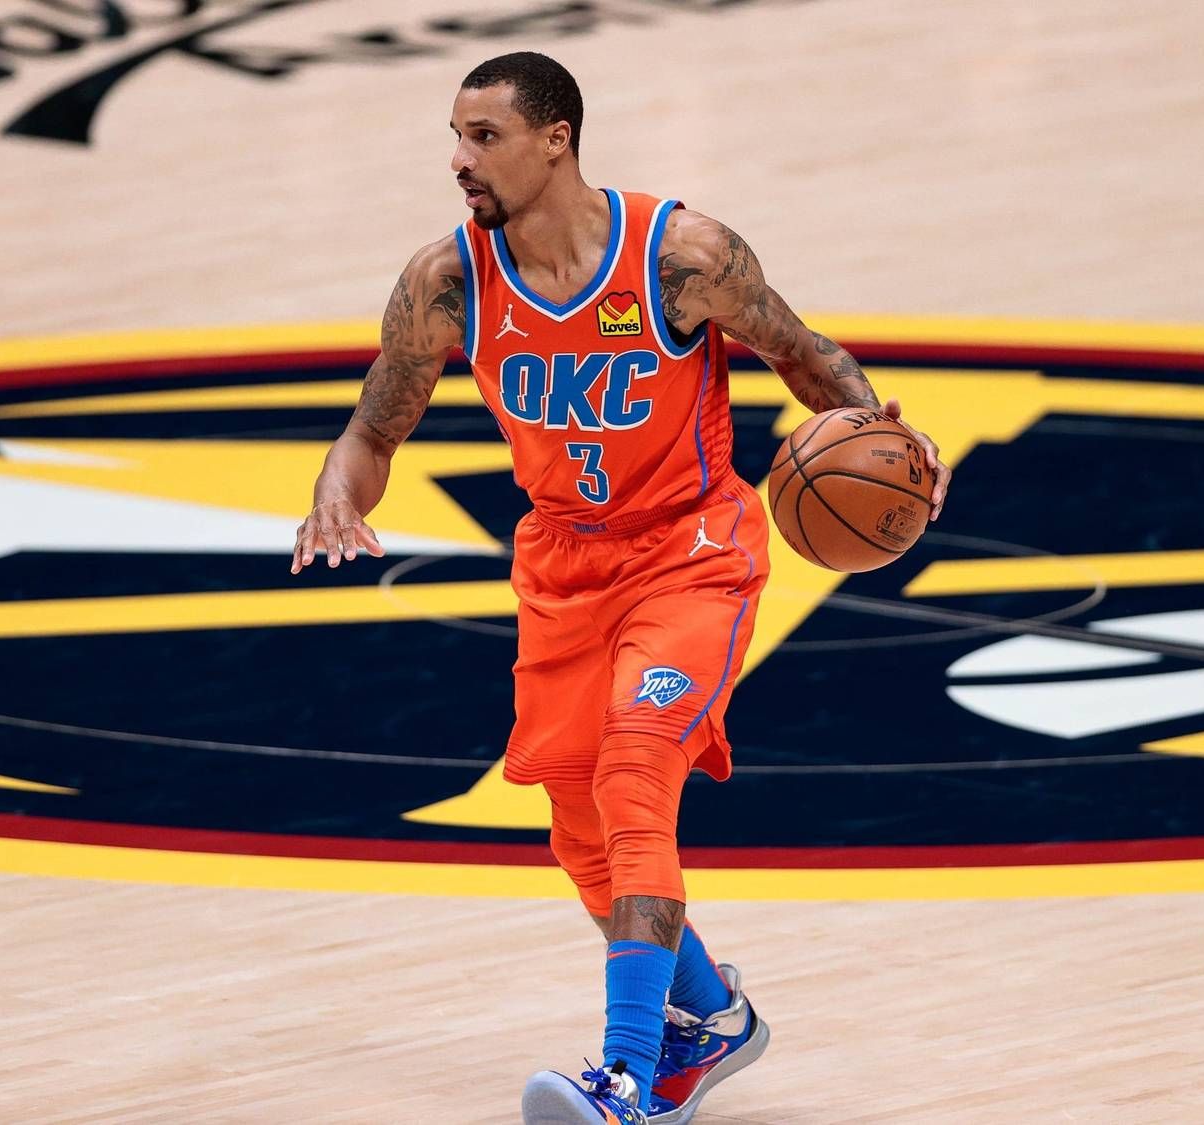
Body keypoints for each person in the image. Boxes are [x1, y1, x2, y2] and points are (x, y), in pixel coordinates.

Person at [290, 51, 948, 1125]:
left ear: (556, 139)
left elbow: (802, 353)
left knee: (636, 774)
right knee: (576, 829)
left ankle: (628, 1080)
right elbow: (375, 426)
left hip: (691, 552)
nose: (460, 161)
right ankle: (711, 1016)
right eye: (455, 138)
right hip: (564, 565)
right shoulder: (447, 282)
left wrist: (885, 435)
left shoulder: (683, 257)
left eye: (484, 137)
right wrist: (335, 489)